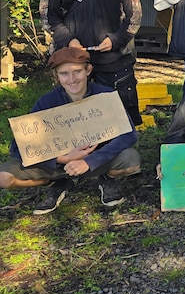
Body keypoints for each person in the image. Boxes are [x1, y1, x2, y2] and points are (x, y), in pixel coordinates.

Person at [0, 48, 140, 214]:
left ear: (88, 70)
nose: (72, 79)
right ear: (56, 76)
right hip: (55, 164)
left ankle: (107, 178)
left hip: (98, 162)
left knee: (132, 160)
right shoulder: (46, 102)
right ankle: (53, 182)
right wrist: (62, 158)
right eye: (64, 73)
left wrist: (89, 161)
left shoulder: (105, 95)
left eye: (77, 71)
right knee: (4, 177)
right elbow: (18, 147)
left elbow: (129, 134)